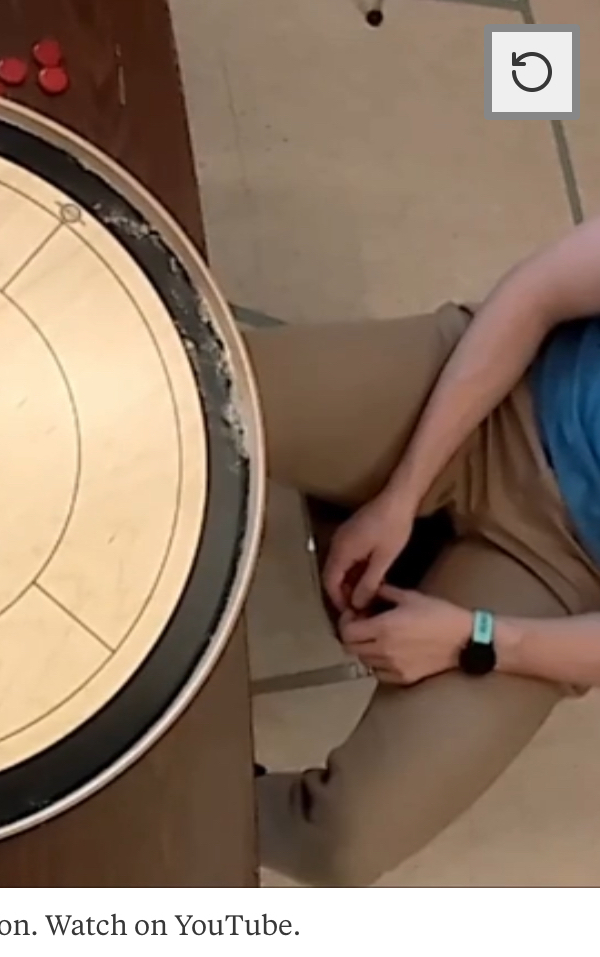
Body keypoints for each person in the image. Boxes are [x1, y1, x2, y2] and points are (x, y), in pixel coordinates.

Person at [246, 215, 600, 886]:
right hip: (504, 396)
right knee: (201, 388)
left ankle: (128, 787)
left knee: (342, 844)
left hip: (565, 570)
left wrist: (478, 637)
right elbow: (541, 290)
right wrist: (400, 493)